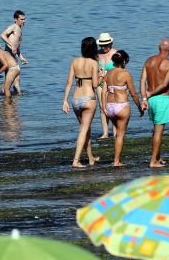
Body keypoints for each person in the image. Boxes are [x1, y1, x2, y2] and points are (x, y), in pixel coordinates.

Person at [61, 37, 101, 168]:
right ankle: (76, 160)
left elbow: (69, 82)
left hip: (75, 99)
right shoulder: (94, 63)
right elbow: (95, 85)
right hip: (88, 98)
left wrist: (65, 101)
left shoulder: (75, 61)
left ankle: (90, 158)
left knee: (86, 130)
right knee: (84, 130)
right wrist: (102, 77)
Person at [139, 38, 169, 168]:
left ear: (159, 48)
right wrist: (151, 93)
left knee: (155, 130)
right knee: (159, 131)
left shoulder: (149, 61)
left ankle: (158, 158)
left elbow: (142, 81)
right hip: (161, 98)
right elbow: (165, 84)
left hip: (150, 100)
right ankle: (153, 161)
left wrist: (144, 98)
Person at [104, 51, 143, 167]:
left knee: (117, 133)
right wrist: (139, 107)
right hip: (121, 106)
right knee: (120, 134)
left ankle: (116, 159)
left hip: (110, 106)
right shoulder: (125, 74)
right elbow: (134, 94)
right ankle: (116, 161)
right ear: (124, 61)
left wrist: (103, 106)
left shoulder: (109, 73)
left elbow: (104, 90)